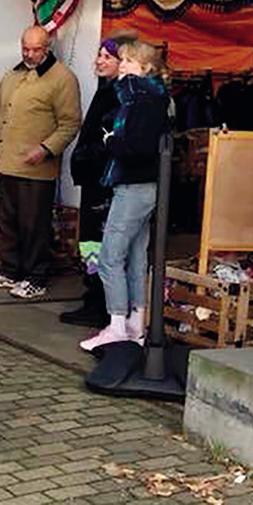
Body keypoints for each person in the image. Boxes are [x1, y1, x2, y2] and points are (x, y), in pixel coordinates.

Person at [0, 26, 82, 300]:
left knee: (34, 225)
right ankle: (10, 270)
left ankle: (36, 277)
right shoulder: (11, 75)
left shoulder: (62, 78)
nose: (29, 54)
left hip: (38, 169)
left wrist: (47, 148)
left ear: (47, 48)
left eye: (36, 49)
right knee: (6, 222)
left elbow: (71, 123)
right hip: (7, 162)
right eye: (25, 48)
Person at [81, 41, 172, 350]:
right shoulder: (145, 98)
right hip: (140, 186)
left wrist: (110, 141)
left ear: (145, 68)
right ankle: (135, 322)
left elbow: (138, 147)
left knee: (109, 256)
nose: (122, 64)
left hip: (134, 186)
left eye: (129, 61)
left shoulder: (141, 99)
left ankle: (117, 323)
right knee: (134, 256)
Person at [60, 33, 135, 327]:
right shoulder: (107, 89)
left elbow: (111, 138)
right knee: (91, 242)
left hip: (106, 181)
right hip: (95, 178)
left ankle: (102, 304)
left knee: (99, 242)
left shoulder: (121, 94)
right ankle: (93, 298)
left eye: (107, 56)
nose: (99, 61)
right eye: (99, 55)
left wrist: (88, 155)